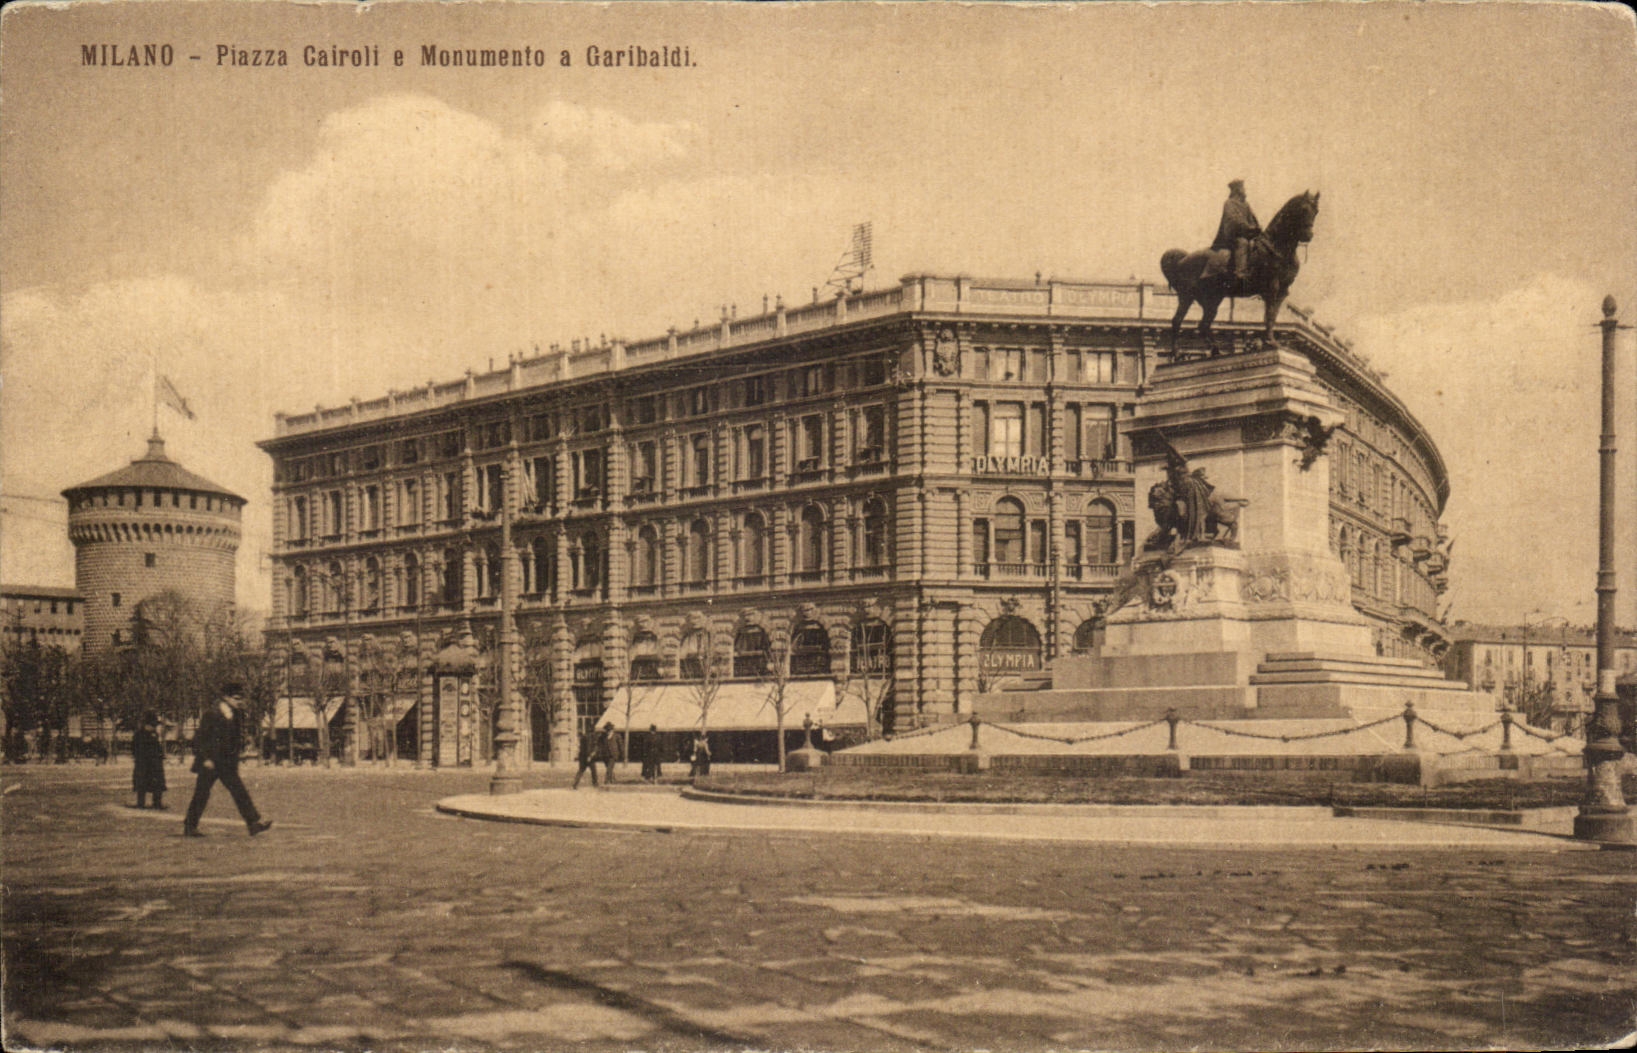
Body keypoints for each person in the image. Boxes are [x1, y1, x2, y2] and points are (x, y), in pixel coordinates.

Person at [182, 682, 272, 838]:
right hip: (210, 762)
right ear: (226, 698)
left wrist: (238, 752)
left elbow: (233, 739)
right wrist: (206, 758)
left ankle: (253, 824)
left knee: (239, 791)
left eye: (241, 698)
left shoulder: (236, 714)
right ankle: (190, 826)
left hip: (226, 763)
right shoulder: (212, 713)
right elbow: (200, 739)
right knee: (202, 794)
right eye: (237, 698)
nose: (240, 701)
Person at [1207, 179, 1262, 284]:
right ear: (1237, 190)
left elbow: (1253, 218)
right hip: (1232, 237)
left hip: (1247, 234)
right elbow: (1233, 221)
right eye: (1243, 188)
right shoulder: (1229, 203)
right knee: (1243, 243)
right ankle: (1240, 273)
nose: (1245, 190)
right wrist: (1248, 227)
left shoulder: (1246, 204)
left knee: (1257, 244)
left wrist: (1257, 227)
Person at [131, 713, 167, 810]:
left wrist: (160, 755)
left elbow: (157, 747)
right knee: (141, 784)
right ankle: (140, 803)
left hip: (155, 764)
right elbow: (135, 749)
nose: (154, 727)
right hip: (143, 764)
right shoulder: (139, 735)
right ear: (146, 724)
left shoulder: (154, 734)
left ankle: (157, 803)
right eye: (153, 725)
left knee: (158, 784)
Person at [572, 724, 601, 789]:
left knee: (581, 770)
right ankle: (595, 783)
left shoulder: (583, 737)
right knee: (593, 770)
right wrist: (590, 756)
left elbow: (581, 747)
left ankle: (575, 784)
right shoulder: (592, 737)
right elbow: (590, 747)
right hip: (589, 757)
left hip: (582, 756)